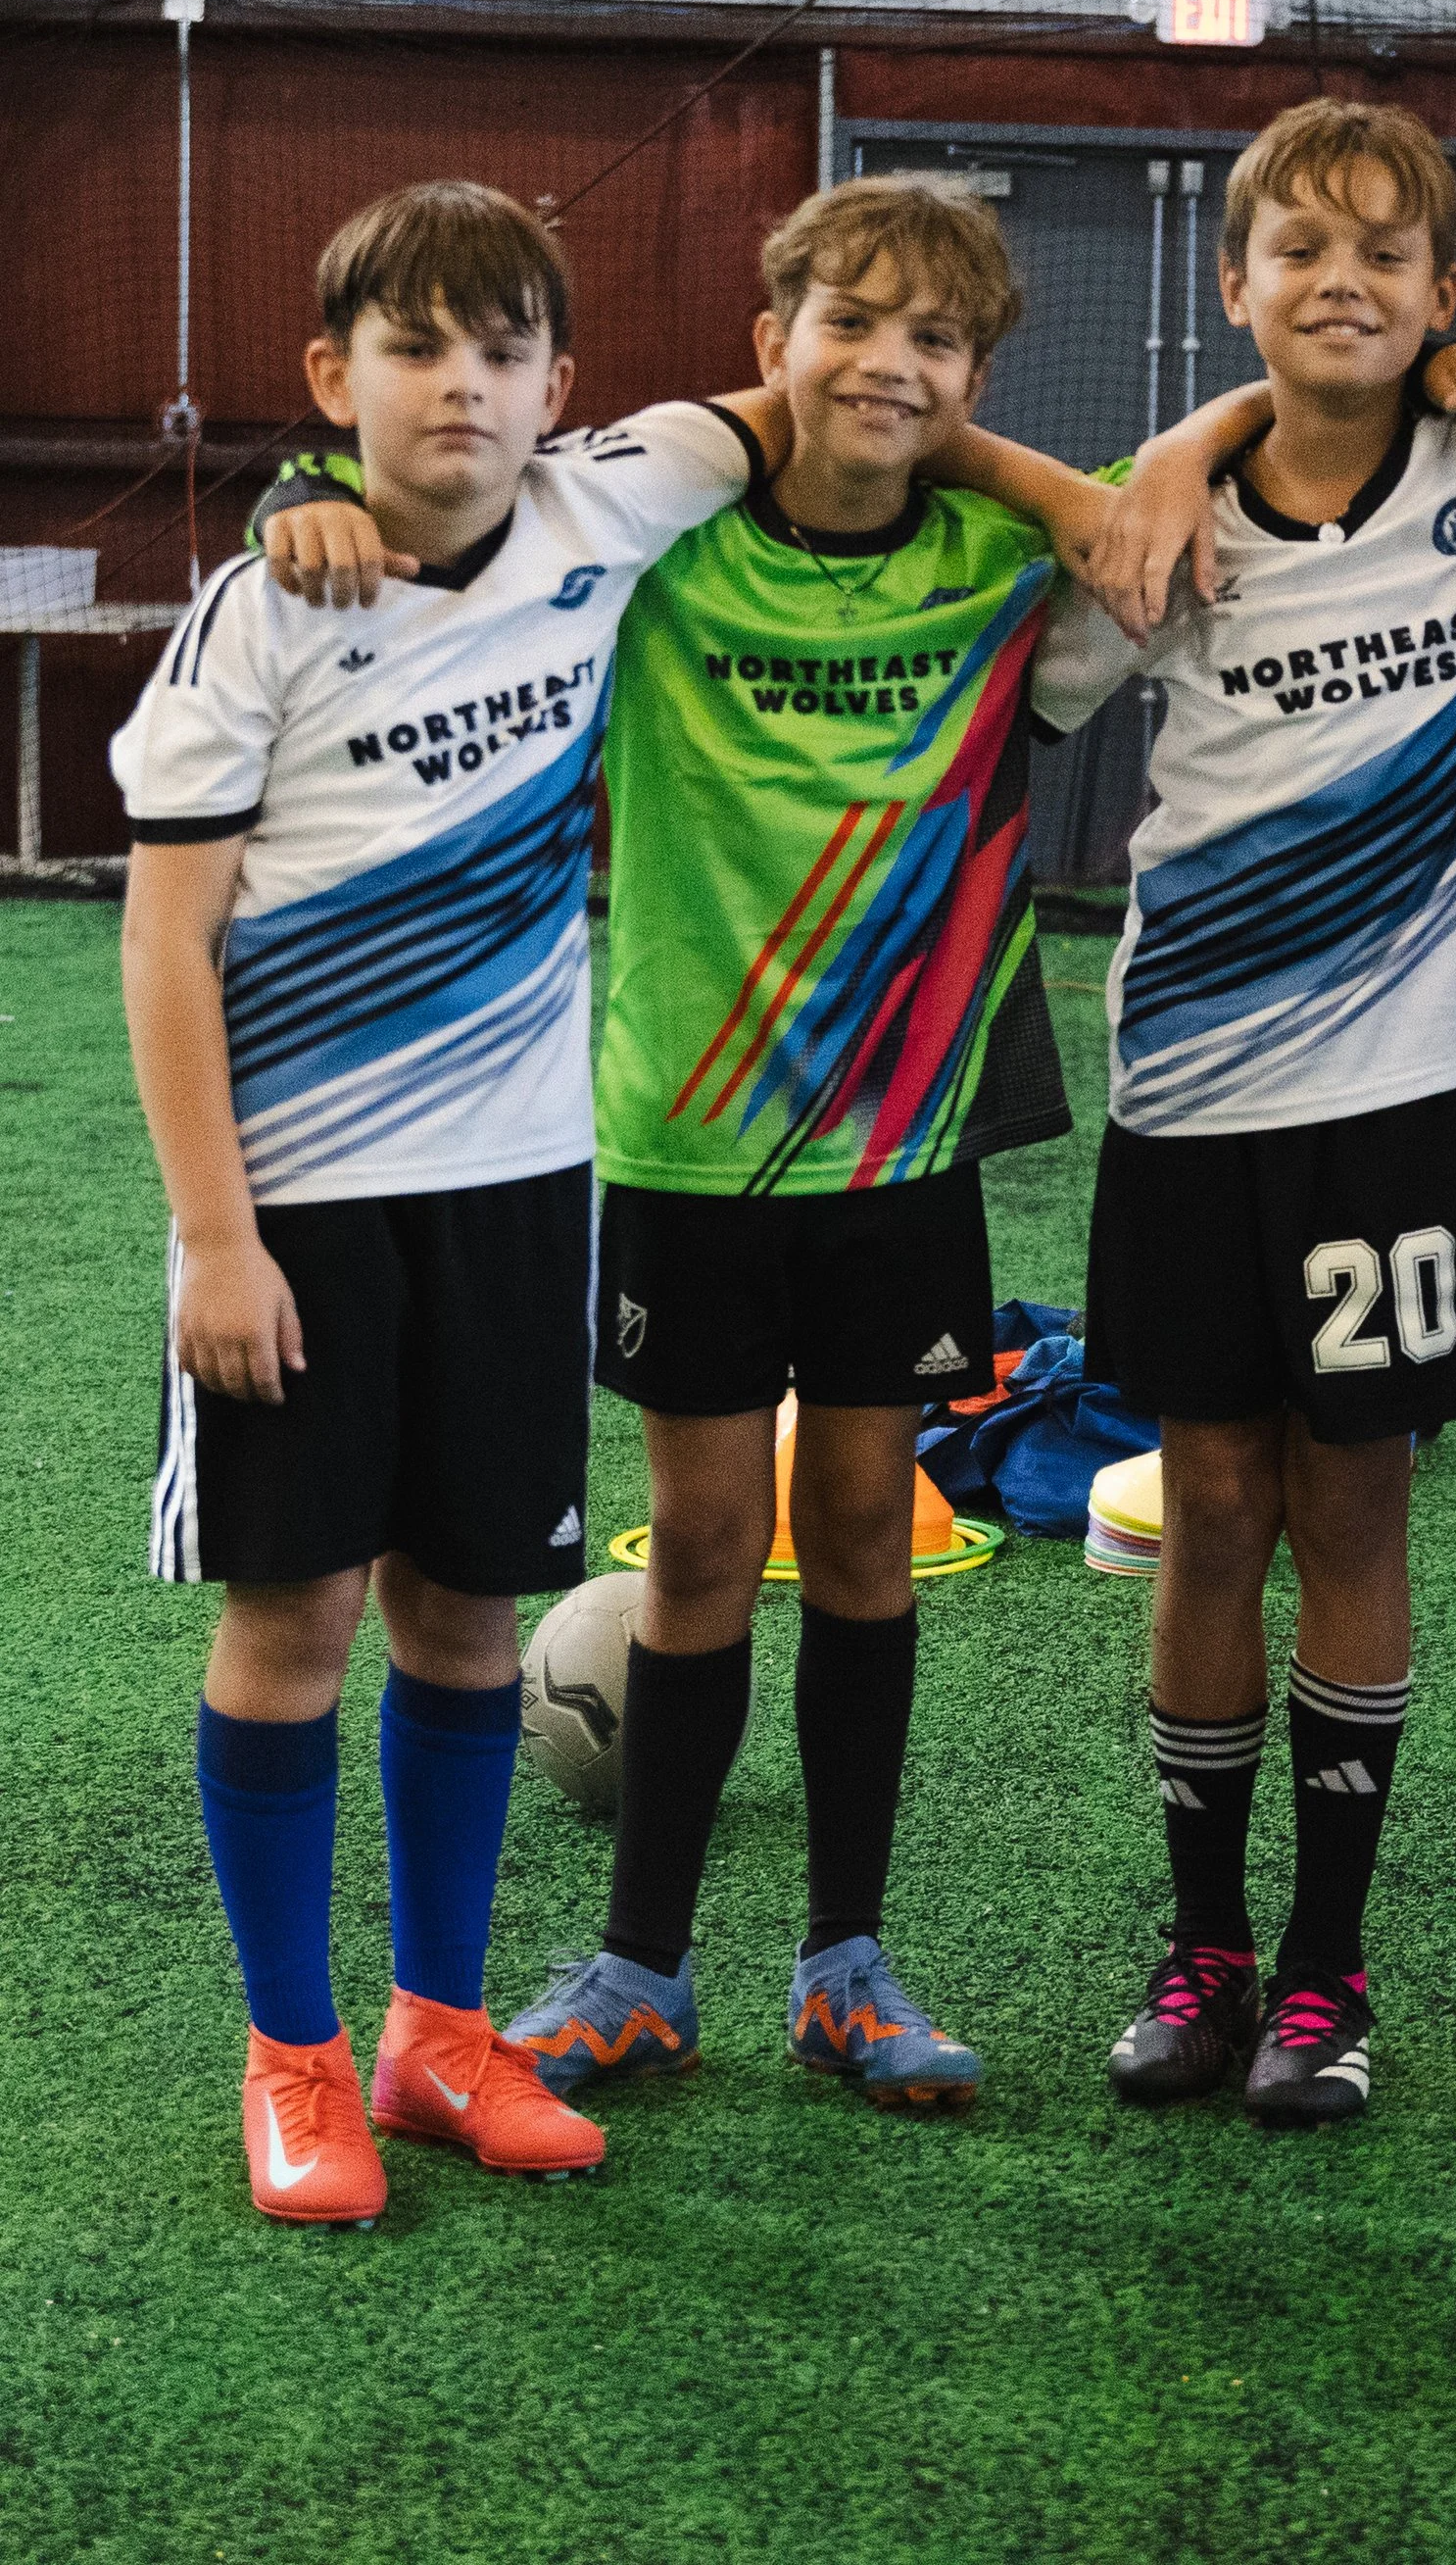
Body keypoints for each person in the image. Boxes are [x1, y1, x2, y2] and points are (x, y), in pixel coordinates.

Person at [259, 175, 1122, 2114]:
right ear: (768, 345)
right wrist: (289, 500)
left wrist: (1064, 495)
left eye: (934, 340)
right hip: (675, 1139)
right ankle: (643, 1967)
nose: (885, 366)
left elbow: (1193, 509)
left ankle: (845, 1963)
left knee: (872, 1545)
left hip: (901, 1152)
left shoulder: (1000, 564)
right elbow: (428, 498)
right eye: (848, 322)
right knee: (710, 1546)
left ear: (978, 376)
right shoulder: (646, 549)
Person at [116, 179, 795, 2223]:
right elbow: (160, 947)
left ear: (559, 387)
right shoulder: (269, 608)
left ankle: (432, 2036)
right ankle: (292, 2056)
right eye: (413, 349)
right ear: (332, 382)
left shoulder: (617, 499)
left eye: (502, 351)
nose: (462, 386)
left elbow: (828, 392)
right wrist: (215, 1236)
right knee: (296, 1612)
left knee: (470, 1614)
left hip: (515, 1189)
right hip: (297, 1207)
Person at [1037, 97, 1456, 2127]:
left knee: (1353, 1501)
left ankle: (1328, 1973)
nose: (1340, 280)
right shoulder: (1166, 525)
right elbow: (1027, 682)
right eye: (1297, 249)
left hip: (1395, 1104)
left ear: (1439, 296)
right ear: (1231, 288)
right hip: (1189, 1090)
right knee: (1207, 1504)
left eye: (1385, 256)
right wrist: (1155, 463)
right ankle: (1202, 1947)